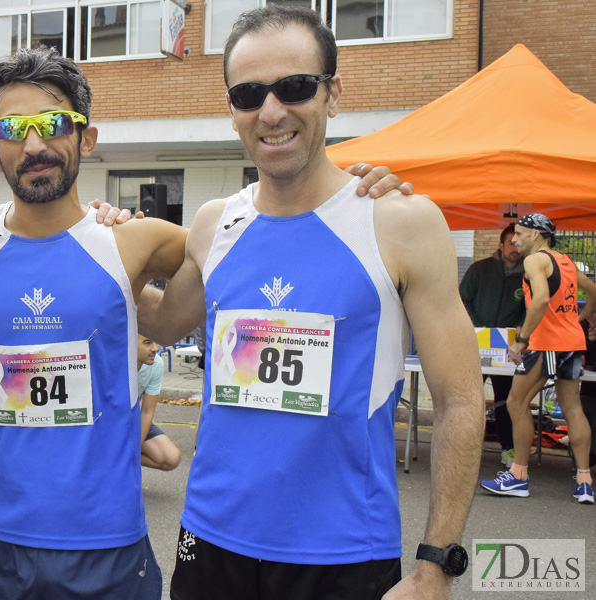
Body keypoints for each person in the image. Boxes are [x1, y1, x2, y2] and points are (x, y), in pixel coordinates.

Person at [0, 45, 408, 599]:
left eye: (54, 122)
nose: (34, 144)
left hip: (103, 543)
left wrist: (355, 199)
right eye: (15, 128)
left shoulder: (135, 239)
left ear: (86, 138)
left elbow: (263, 237)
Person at [135, 7, 485, 599]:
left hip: (343, 553)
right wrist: (94, 241)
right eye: (248, 94)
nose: (271, 111)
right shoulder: (214, 223)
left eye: (294, 87)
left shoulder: (399, 223)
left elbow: (461, 400)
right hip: (210, 543)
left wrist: (435, 566)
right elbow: (163, 321)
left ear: (333, 93)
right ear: (233, 109)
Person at [481, 213, 596, 504]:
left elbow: (542, 299)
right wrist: (583, 321)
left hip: (546, 344)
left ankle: (518, 475)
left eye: (519, 233)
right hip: (572, 343)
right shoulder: (565, 260)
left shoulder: (535, 260)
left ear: (536, 234)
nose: (515, 239)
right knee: (573, 408)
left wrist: (521, 341)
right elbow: (593, 291)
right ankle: (584, 481)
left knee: (515, 403)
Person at [459, 224, 526, 466]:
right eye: (511, 243)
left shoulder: (528, 275)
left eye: (518, 243)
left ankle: (508, 448)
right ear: (500, 245)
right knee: (469, 399)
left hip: (508, 350)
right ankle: (464, 447)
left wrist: (521, 329)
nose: (515, 248)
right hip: (475, 344)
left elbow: (530, 310)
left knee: (507, 400)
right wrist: (478, 328)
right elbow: (462, 299)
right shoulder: (480, 269)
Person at [136, 335, 182, 471]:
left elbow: (147, 412)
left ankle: (122, 460)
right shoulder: (115, 363)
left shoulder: (156, 364)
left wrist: (134, 450)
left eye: (156, 342)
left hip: (132, 418)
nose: (155, 348)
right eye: (147, 343)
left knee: (171, 458)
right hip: (109, 421)